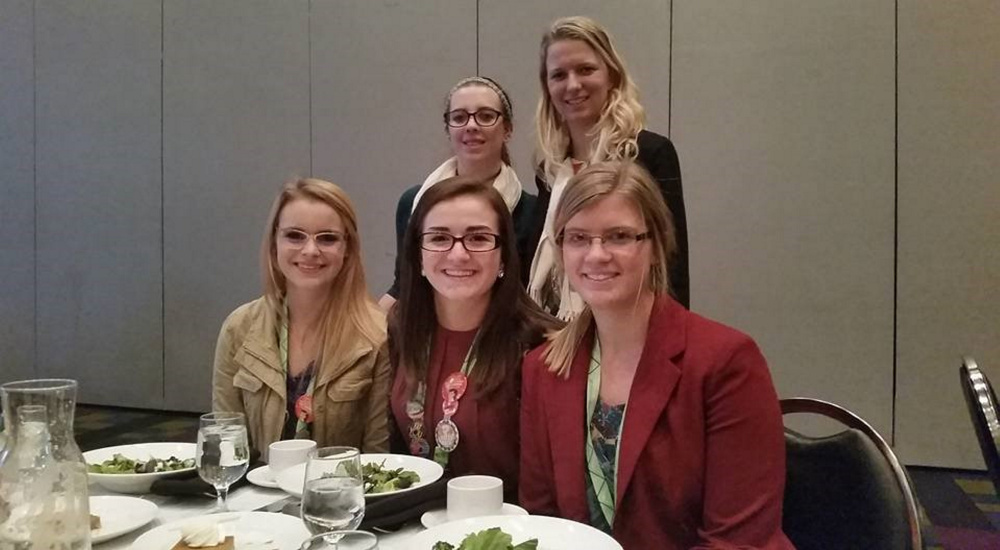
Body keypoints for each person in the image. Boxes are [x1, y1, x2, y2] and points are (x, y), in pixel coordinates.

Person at [520, 162, 792, 549]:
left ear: (655, 245)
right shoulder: (543, 368)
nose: (596, 255)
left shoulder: (726, 362)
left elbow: (737, 541)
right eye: (578, 238)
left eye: (618, 236)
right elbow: (544, 522)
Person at [389, 177, 558, 501]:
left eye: (478, 238)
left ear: (504, 257)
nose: (458, 254)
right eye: (439, 238)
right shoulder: (402, 329)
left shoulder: (540, 344)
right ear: (417, 256)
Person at [212, 178, 390, 460]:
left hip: (341, 498)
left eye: (327, 238)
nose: (310, 251)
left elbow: (379, 455)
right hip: (253, 498)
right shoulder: (239, 328)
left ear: (348, 249)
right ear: (274, 244)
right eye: (295, 235)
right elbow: (226, 446)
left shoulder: (377, 336)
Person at [527, 15, 689, 318]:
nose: (573, 85)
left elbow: (672, 264)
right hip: (551, 336)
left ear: (611, 75)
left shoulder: (649, 154)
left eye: (586, 70)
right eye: (559, 75)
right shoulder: (549, 170)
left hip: (631, 331)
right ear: (547, 86)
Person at [379, 76, 537, 311]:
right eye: (460, 117)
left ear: (507, 130)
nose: (471, 126)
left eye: (485, 116)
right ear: (448, 129)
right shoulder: (413, 202)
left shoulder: (533, 212)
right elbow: (404, 286)